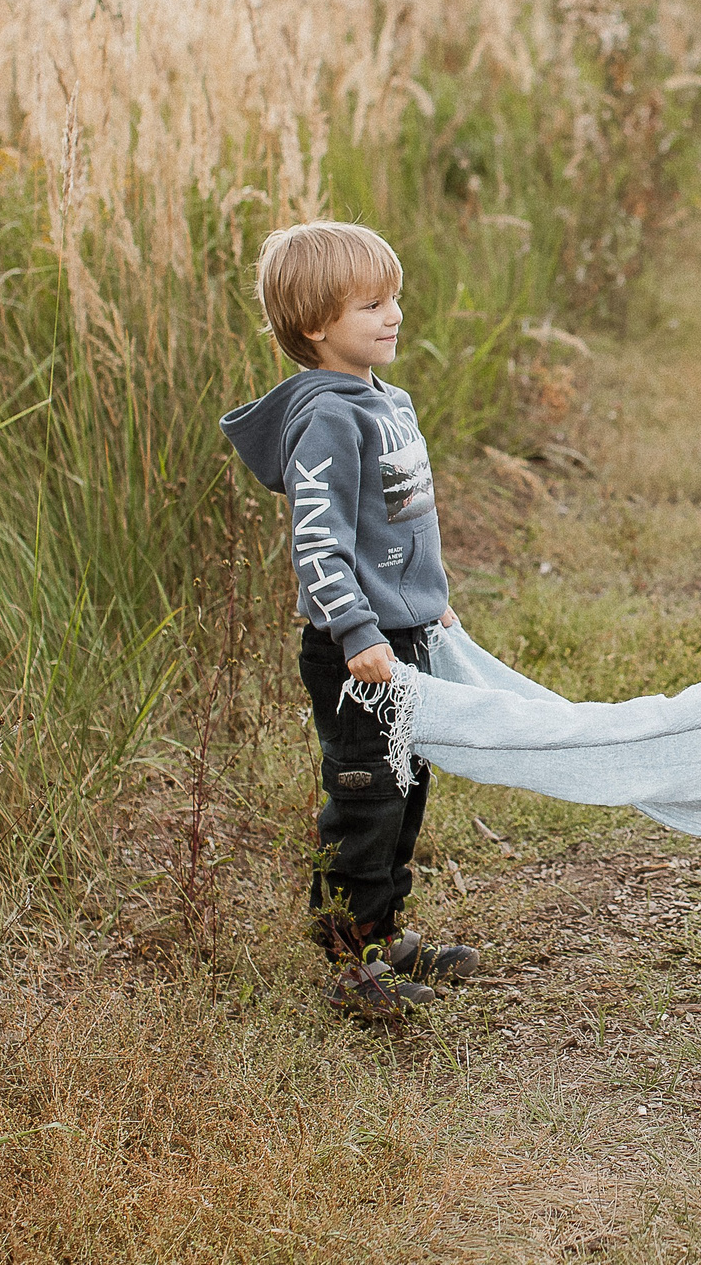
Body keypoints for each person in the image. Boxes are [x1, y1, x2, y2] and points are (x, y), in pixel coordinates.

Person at [222, 220, 481, 1021]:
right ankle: (348, 953)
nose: (392, 315)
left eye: (393, 297)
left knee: (407, 783)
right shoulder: (328, 419)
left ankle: (385, 930)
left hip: (401, 636)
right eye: (370, 304)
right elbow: (318, 540)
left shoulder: (385, 399)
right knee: (366, 790)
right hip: (354, 649)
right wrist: (359, 631)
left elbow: (398, 526)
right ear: (314, 325)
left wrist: (425, 601)